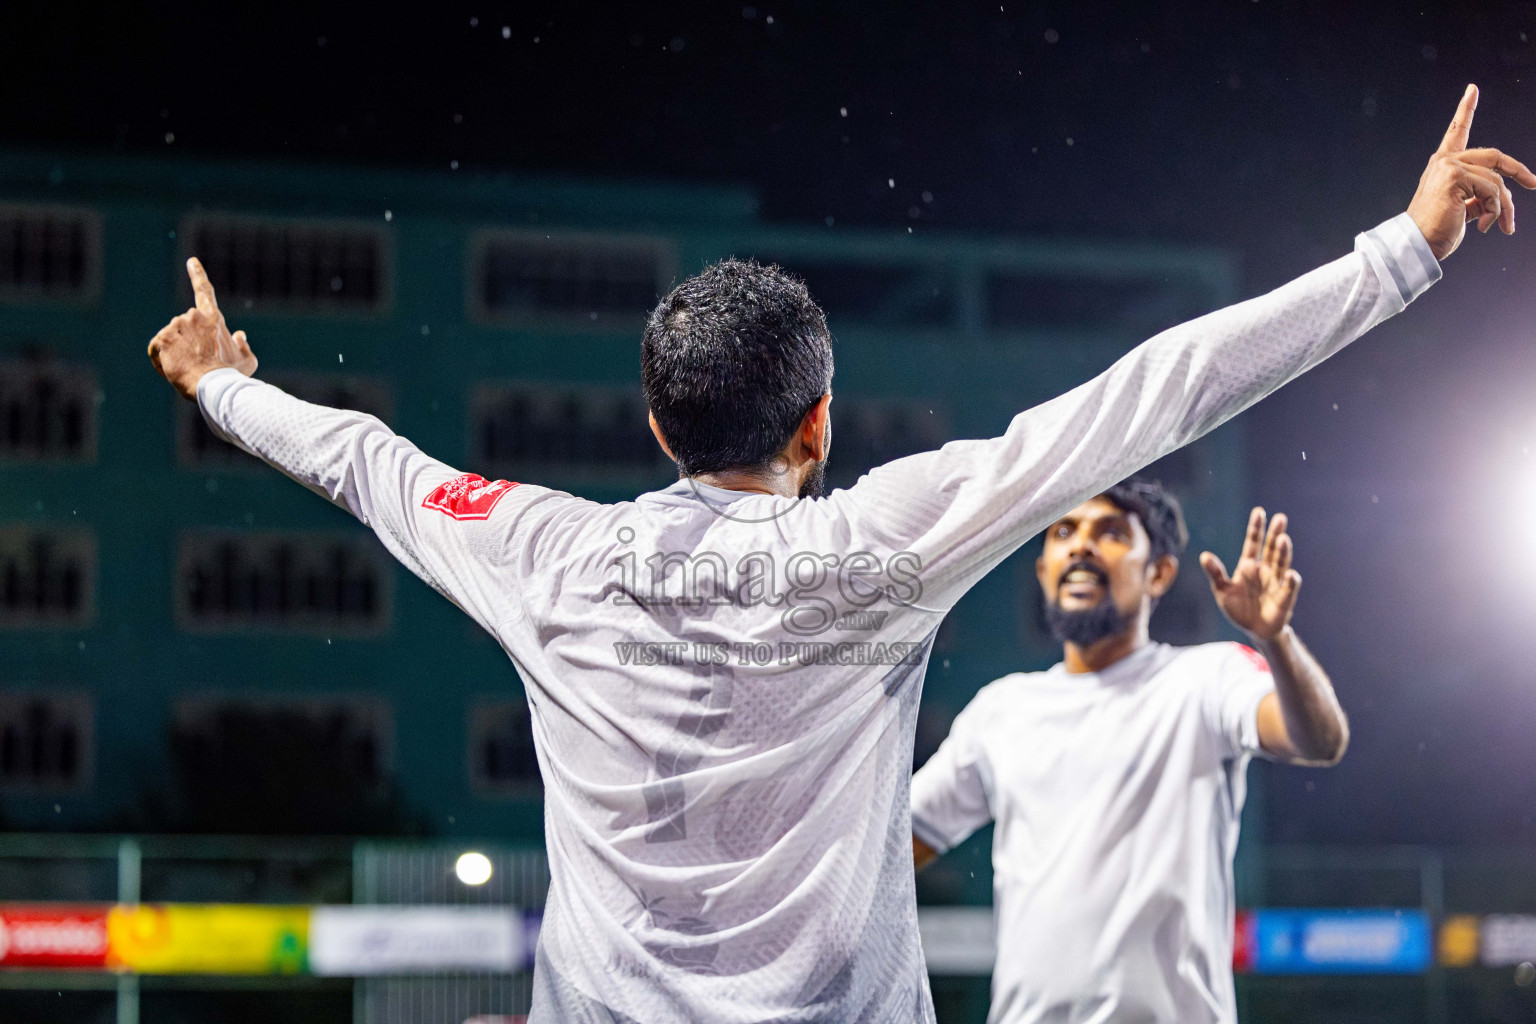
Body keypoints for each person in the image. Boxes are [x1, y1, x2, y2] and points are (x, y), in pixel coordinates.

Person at [145, 86, 1525, 1023]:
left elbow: (369, 463)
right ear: (816, 424)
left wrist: (219, 387)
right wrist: (1401, 253)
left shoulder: (540, 552)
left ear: (651, 422)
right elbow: (1159, 389)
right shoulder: (882, 541)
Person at [911, 480, 1341, 1024]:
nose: (1081, 545)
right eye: (1064, 531)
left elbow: (1319, 739)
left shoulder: (1205, 678)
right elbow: (892, 852)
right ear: (1044, 570)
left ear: (1158, 572)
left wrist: (1275, 641)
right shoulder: (1001, 711)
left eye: (1111, 532)